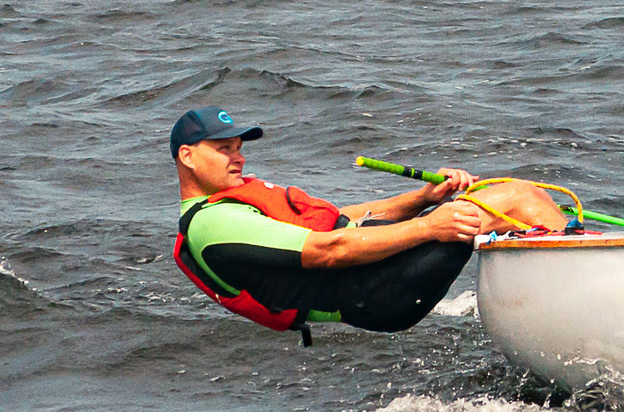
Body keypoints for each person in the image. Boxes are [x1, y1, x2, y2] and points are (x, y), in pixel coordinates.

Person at [169, 107, 569, 343]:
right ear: (187, 156)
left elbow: (347, 220)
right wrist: (432, 227)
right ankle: (579, 294)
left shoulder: (233, 203)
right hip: (370, 293)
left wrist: (425, 200)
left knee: (506, 198)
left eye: (239, 149)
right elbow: (330, 249)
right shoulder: (212, 221)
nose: (237, 158)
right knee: (517, 196)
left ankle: (557, 302)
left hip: (374, 279)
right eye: (224, 149)